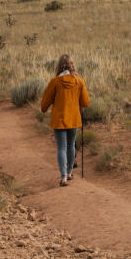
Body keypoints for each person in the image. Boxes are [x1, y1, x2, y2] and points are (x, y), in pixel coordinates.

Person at [39, 53, 90, 186]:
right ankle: (69, 172)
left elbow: (44, 103)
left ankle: (63, 178)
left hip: (59, 120)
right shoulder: (79, 81)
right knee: (71, 145)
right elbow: (85, 102)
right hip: (73, 119)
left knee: (61, 147)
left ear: (59, 66)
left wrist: (44, 110)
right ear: (72, 65)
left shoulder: (54, 82)